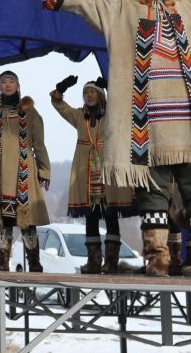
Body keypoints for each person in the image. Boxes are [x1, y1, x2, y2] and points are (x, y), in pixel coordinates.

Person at [5, 0, 191, 279]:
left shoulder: (190, 10)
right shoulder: (121, 13)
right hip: (147, 131)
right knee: (153, 197)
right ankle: (157, 260)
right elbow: (84, 3)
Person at [49, 76, 134, 274]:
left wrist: (110, 87)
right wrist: (60, 89)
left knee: (111, 215)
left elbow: (124, 104)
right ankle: (93, 261)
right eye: (86, 92)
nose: (89, 95)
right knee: (91, 217)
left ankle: (111, 261)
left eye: (93, 92)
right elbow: (59, 105)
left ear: (100, 95)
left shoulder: (111, 114)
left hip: (108, 171)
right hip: (86, 173)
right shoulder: (79, 116)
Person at [0, 71, 50, 272]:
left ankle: (34, 262)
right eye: (3, 82)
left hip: (24, 169)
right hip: (0, 169)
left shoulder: (30, 112)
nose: (7, 85)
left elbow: (39, 143)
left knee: (27, 219)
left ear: (18, 85)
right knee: (4, 219)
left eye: (11, 81)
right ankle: (2, 261)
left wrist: (44, 170)